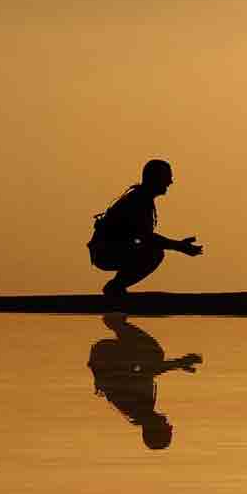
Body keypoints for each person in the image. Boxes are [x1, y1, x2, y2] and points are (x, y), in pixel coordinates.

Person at [88, 159, 203, 296]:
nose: (170, 182)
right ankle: (115, 287)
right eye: (167, 177)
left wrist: (178, 245)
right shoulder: (138, 200)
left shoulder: (143, 198)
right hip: (105, 251)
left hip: (111, 248)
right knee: (154, 254)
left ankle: (117, 286)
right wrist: (178, 246)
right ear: (156, 178)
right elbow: (146, 237)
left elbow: (143, 237)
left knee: (152, 250)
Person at [87, 313, 202, 450]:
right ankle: (117, 323)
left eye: (167, 429)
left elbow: (147, 370)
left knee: (153, 353)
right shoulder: (141, 409)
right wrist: (179, 364)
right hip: (109, 357)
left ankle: (115, 322)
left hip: (107, 355)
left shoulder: (136, 406)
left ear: (154, 429)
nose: (170, 425)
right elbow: (145, 371)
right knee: (152, 356)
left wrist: (179, 363)